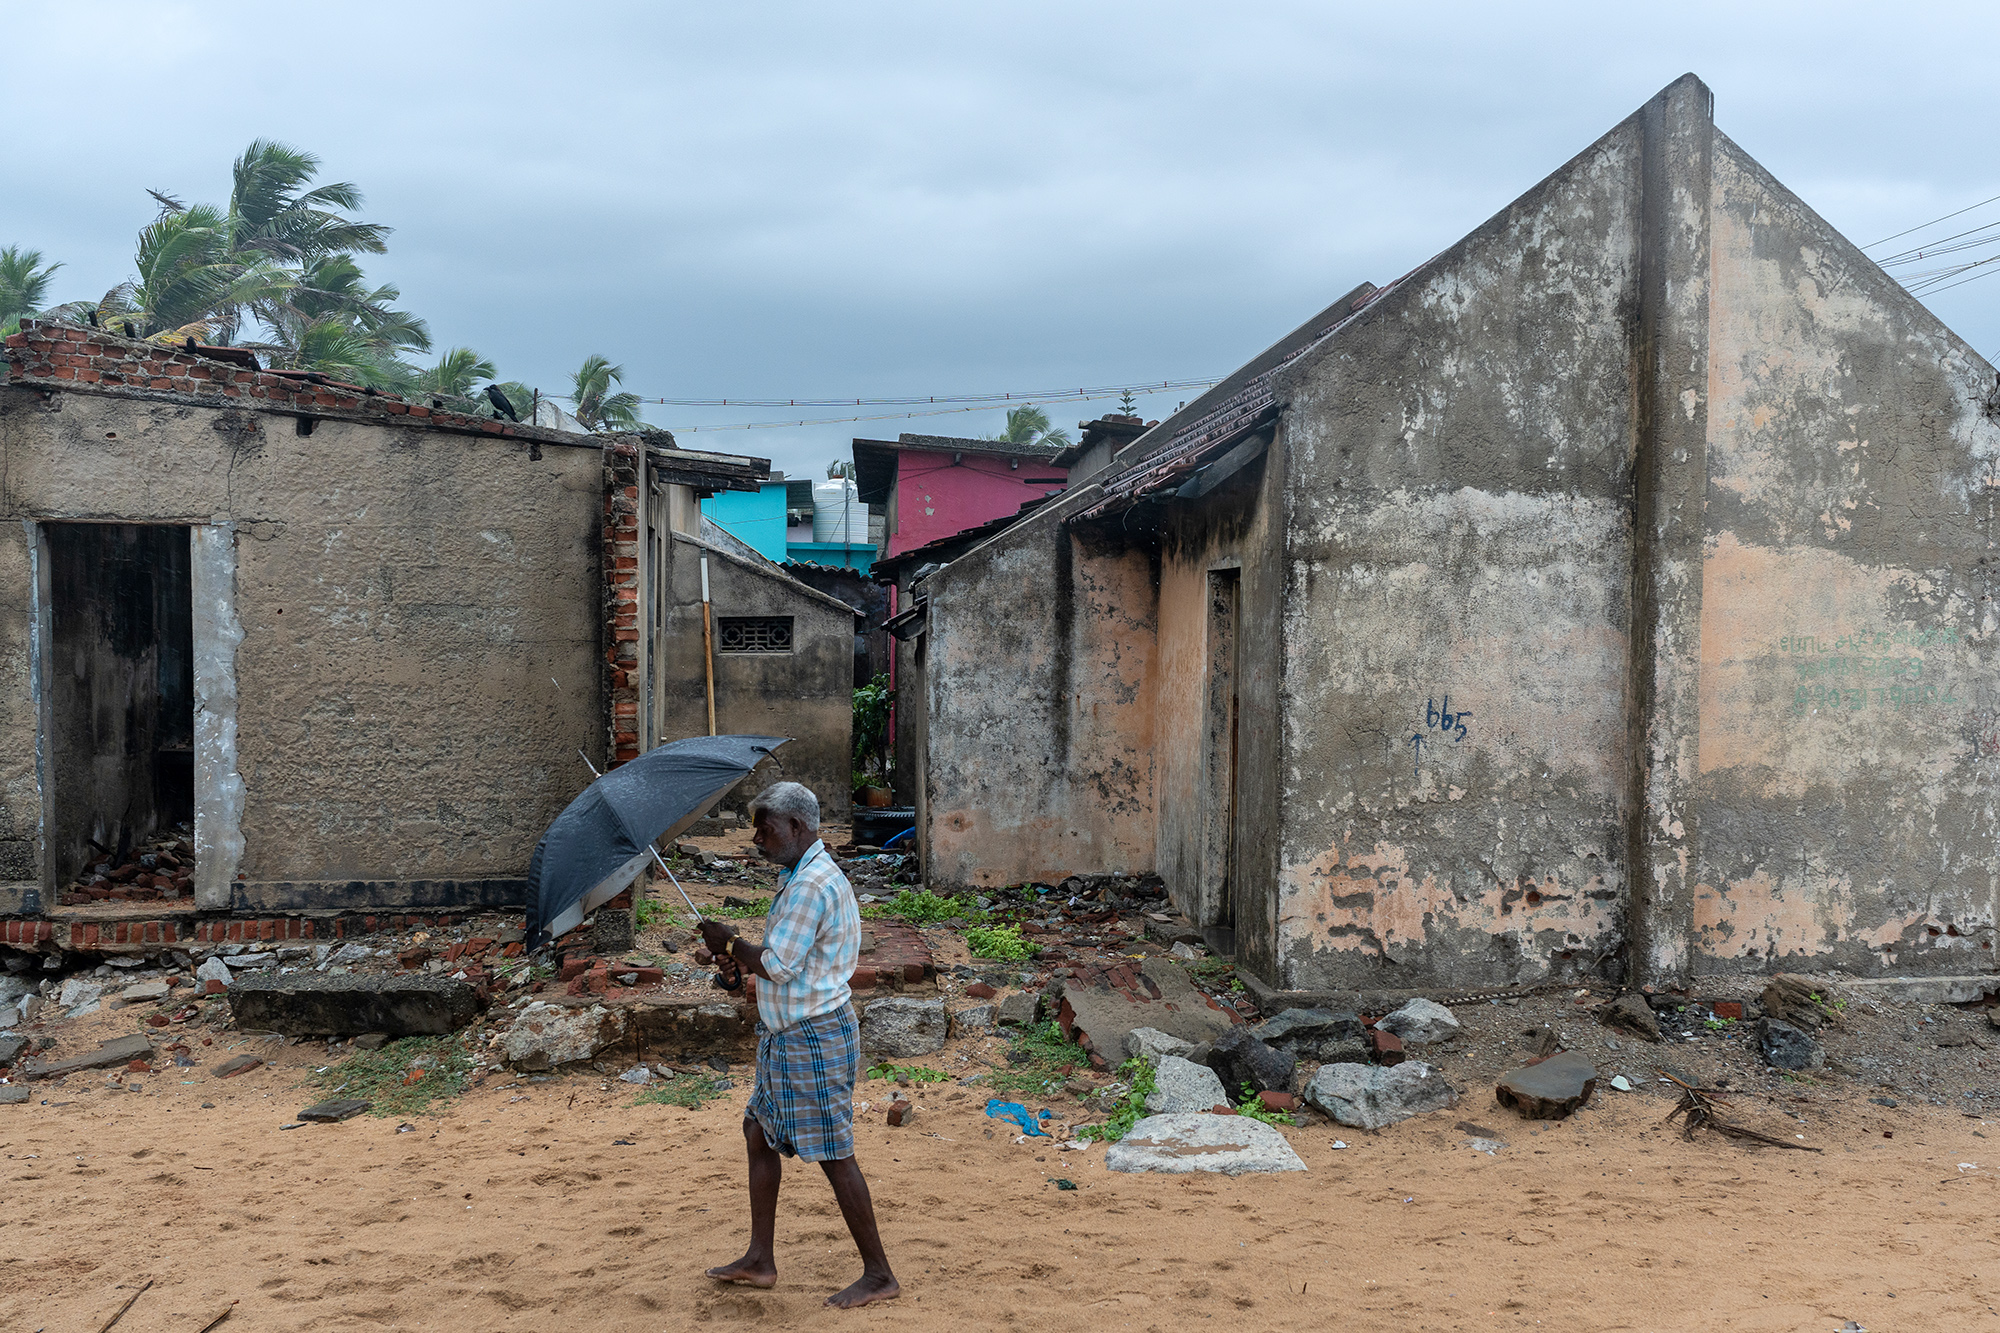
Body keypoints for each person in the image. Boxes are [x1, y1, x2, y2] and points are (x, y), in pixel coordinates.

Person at [694, 781, 899, 1309]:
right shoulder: (800, 875)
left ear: (796, 827)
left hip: (811, 1036)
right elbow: (787, 959)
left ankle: (879, 1274)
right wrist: (736, 962)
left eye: (765, 829)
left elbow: (780, 965)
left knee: (833, 1152)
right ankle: (760, 1259)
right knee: (757, 1130)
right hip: (791, 1035)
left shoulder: (810, 884)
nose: (757, 839)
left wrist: (732, 944)